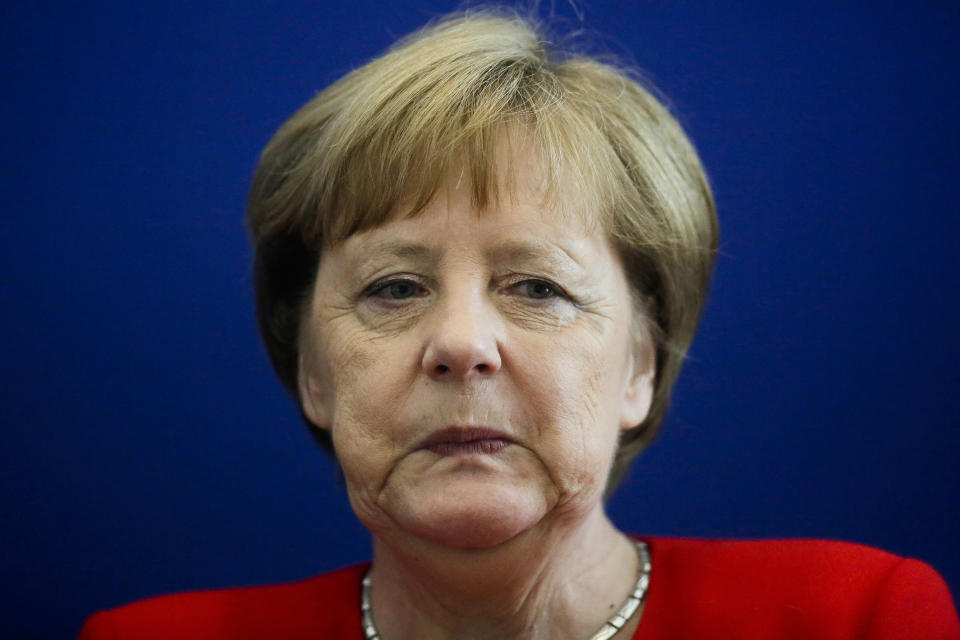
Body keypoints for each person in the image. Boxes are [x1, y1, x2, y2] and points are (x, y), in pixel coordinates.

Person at [78, 9, 960, 640]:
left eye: (537, 287)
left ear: (639, 368)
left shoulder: (857, 618)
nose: (461, 343)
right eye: (392, 289)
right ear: (311, 370)